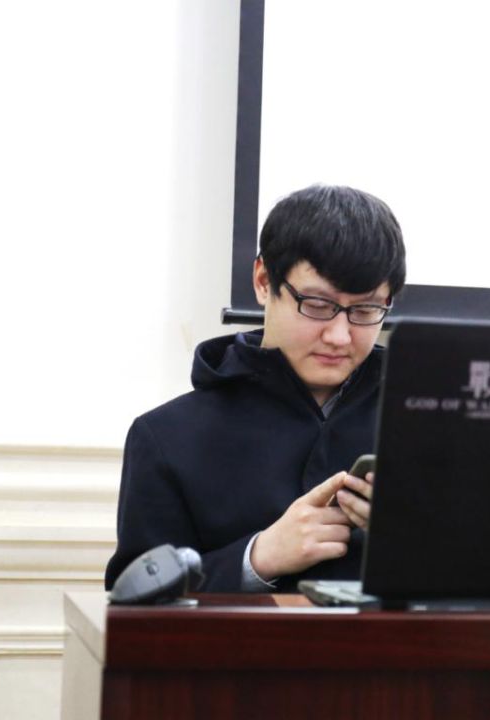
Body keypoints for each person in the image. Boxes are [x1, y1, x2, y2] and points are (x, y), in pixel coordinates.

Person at [104, 185, 406, 592]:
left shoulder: (426, 426)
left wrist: (414, 538)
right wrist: (258, 557)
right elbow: (133, 601)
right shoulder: (165, 437)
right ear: (264, 281)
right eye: (317, 305)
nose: (339, 336)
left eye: (366, 310)